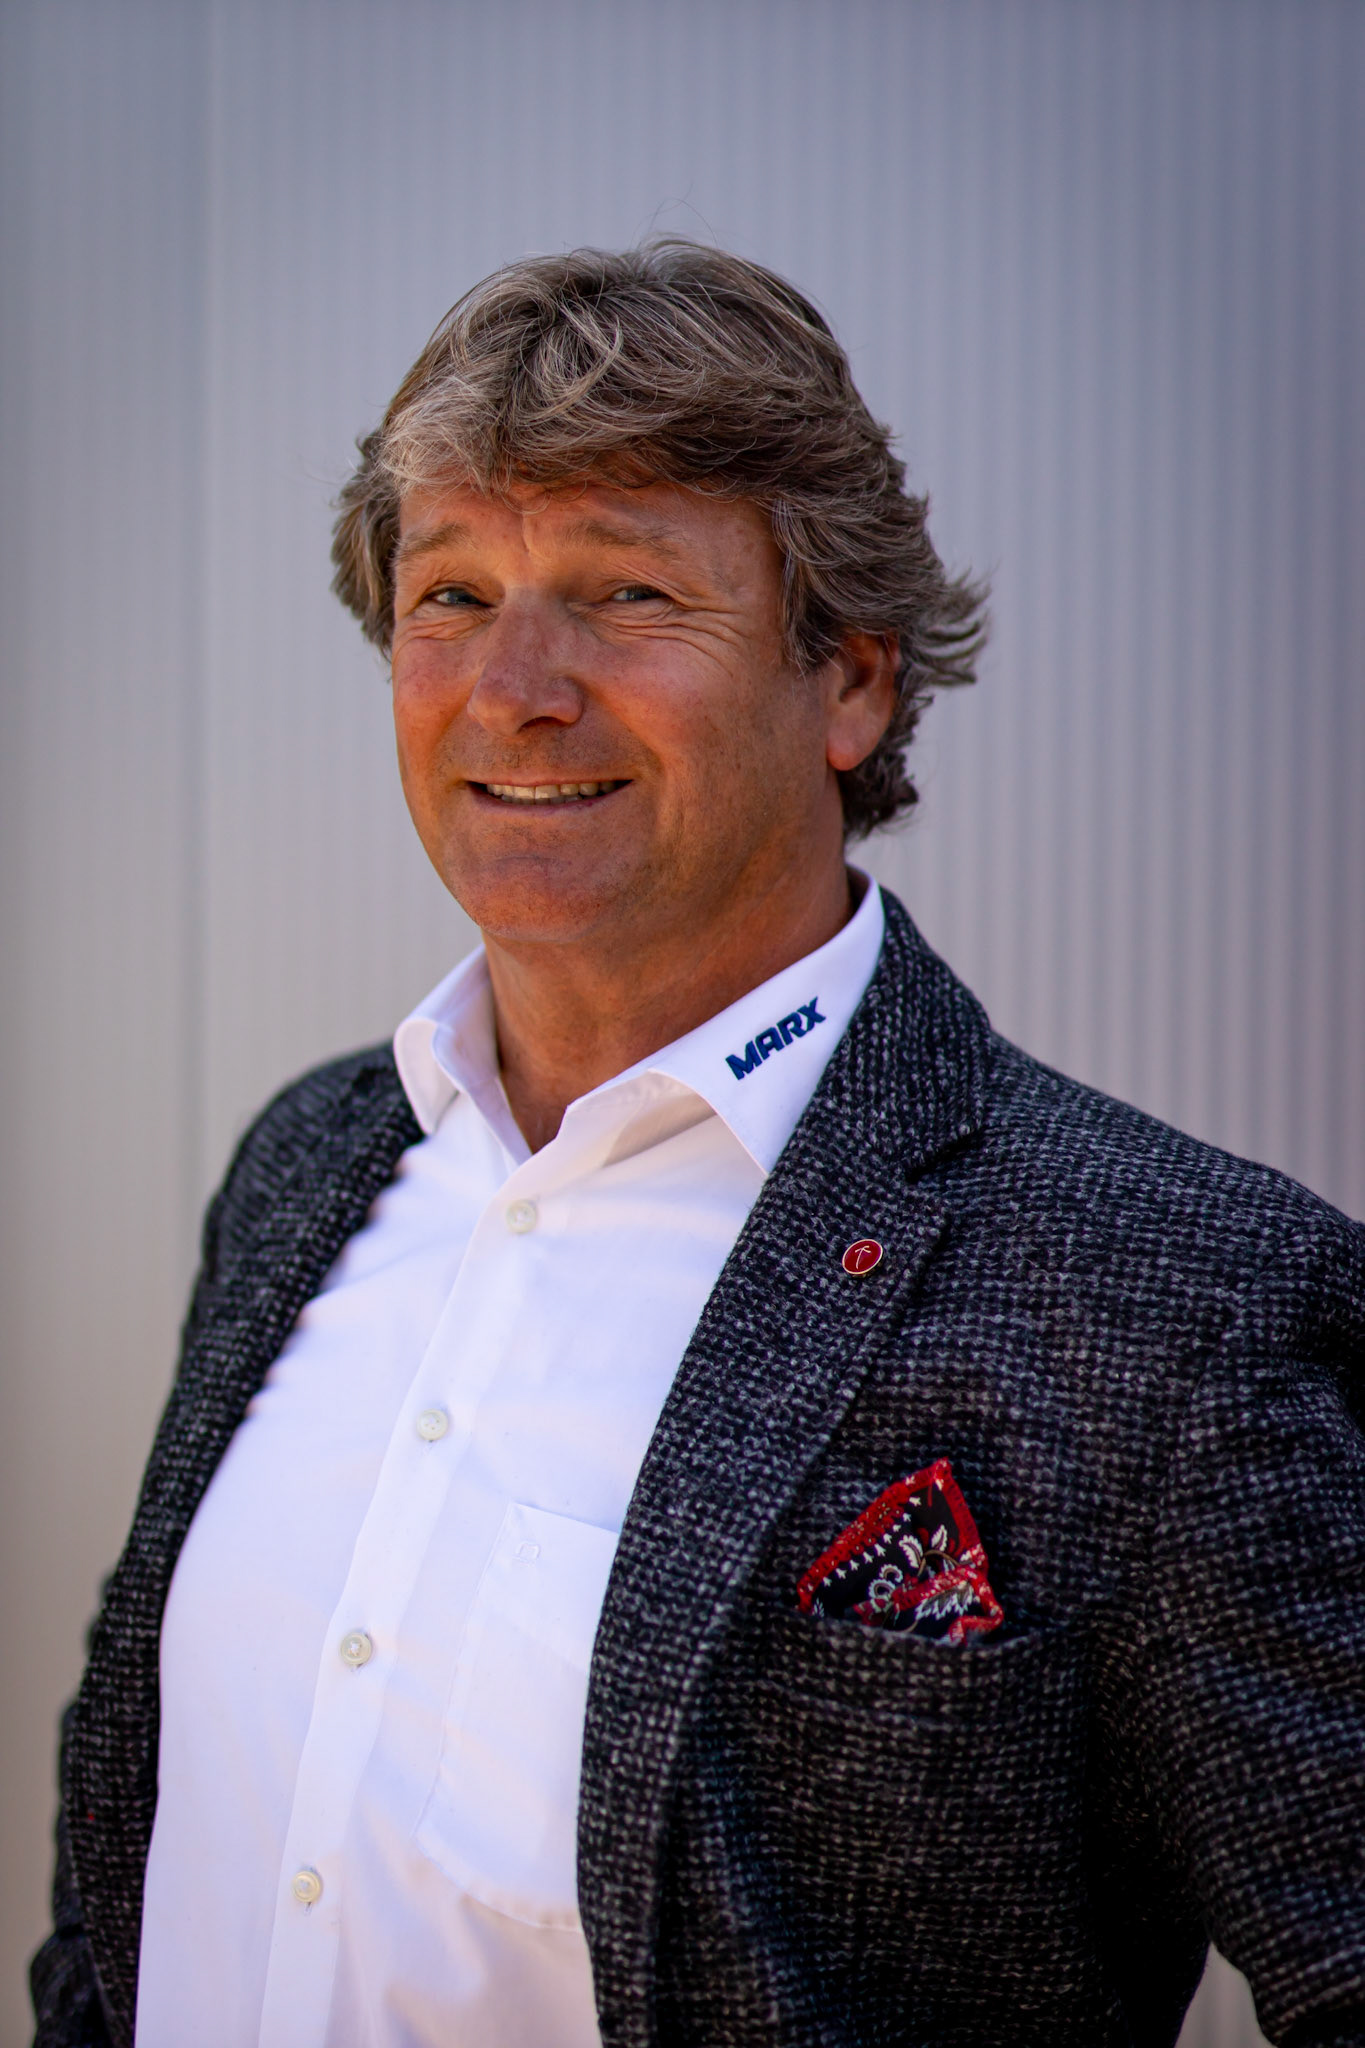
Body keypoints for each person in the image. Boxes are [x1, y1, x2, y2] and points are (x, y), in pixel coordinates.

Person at [32, 241, 1365, 2048]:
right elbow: (136, 1868)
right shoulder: (306, 1167)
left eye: (627, 592)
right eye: (451, 594)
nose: (513, 686)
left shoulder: (1174, 1304)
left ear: (850, 685)